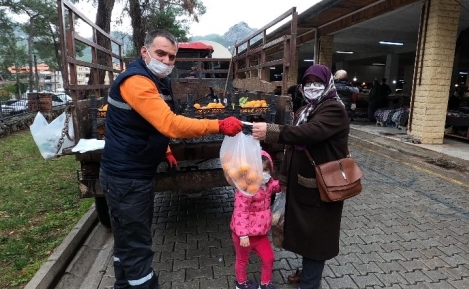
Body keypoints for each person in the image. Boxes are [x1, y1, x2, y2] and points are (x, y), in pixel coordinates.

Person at [99, 29, 243, 289]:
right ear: (145, 52)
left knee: (127, 244)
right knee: (137, 246)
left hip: (132, 174)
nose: (166, 61)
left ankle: (124, 284)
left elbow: (149, 122)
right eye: (160, 54)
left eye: (171, 57)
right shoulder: (137, 82)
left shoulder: (156, 80)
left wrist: (164, 149)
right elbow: (170, 124)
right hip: (127, 179)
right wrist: (219, 125)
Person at [251, 64, 350, 289]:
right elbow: (292, 148)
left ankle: (310, 283)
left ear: (328, 84)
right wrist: (284, 178)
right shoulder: (307, 109)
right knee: (306, 235)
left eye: (318, 83)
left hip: (324, 188)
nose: (312, 87)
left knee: (317, 240)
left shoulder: (334, 109)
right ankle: (306, 274)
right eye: (308, 83)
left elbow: (309, 133)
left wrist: (272, 131)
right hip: (304, 186)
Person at [230, 150, 281, 289]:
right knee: (242, 260)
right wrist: (243, 235)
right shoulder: (246, 189)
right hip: (244, 236)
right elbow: (240, 212)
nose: (262, 174)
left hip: (260, 234)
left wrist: (284, 184)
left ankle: (265, 283)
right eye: (258, 170)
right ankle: (241, 283)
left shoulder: (268, 184)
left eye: (266, 170)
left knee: (269, 258)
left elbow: (276, 186)